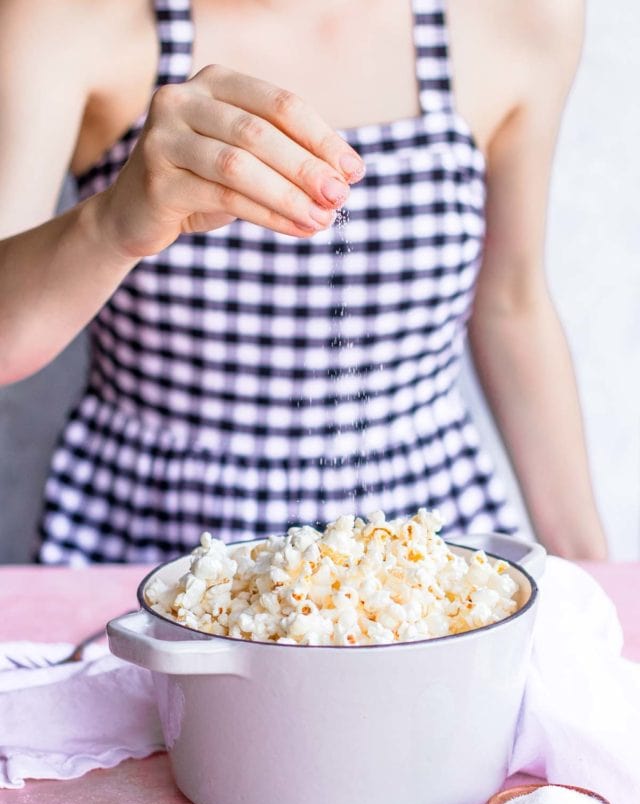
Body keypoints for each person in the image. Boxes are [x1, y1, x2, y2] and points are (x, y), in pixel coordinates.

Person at [0, 0, 607, 564]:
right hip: (148, 537)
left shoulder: (524, 16)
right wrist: (111, 226)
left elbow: (511, 303)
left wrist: (600, 586)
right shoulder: (64, 18)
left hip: (424, 546)